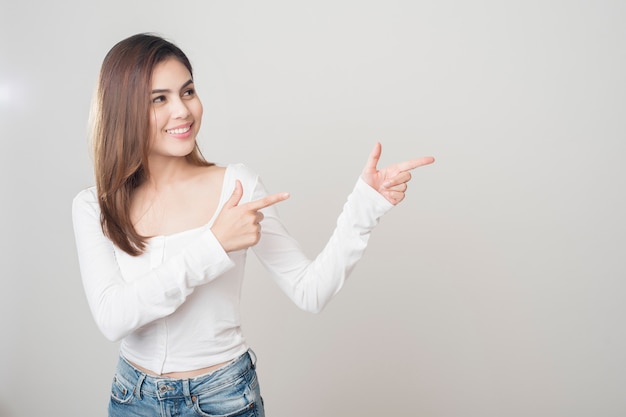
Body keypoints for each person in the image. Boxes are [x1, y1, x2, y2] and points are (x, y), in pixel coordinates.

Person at [72, 33, 434, 417]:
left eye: (188, 91)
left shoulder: (236, 186)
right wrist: (213, 245)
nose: (182, 110)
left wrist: (365, 207)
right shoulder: (94, 204)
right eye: (159, 99)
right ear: (122, 109)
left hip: (223, 398)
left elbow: (309, 290)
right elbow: (114, 318)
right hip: (133, 400)